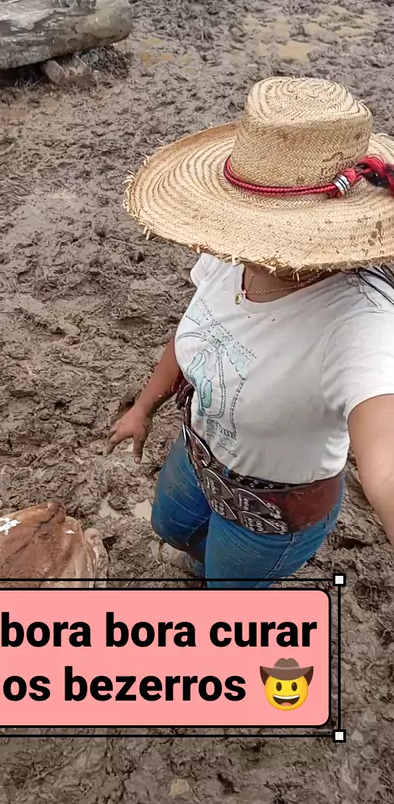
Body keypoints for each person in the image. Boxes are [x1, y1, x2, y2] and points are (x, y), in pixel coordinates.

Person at [107, 76, 394, 589]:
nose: (251, 243)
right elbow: (193, 333)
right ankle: (199, 560)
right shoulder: (231, 254)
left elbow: (386, 460)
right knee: (170, 526)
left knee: (229, 589)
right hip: (199, 451)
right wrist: (143, 407)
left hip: (275, 507)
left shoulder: (362, 323)